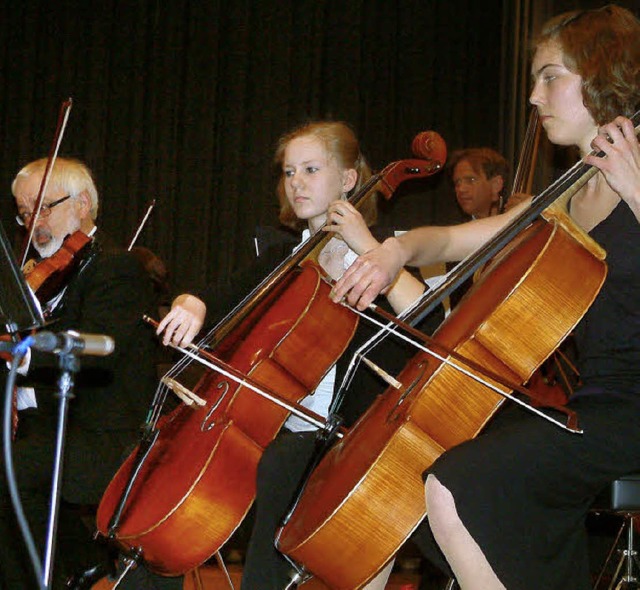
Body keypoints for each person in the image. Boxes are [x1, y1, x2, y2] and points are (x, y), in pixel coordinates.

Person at [331, 5, 640, 589]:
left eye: (550, 76)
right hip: (589, 407)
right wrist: (395, 250)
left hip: (634, 408)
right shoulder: (565, 194)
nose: (532, 95)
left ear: (601, 76)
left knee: (459, 486)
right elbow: (451, 238)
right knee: (407, 481)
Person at [156, 120, 440, 589]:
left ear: (348, 180)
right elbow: (220, 294)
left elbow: (428, 323)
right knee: (275, 482)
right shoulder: (283, 259)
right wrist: (192, 303)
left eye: (311, 169)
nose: (297, 183)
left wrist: (369, 249)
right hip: (295, 430)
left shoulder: (388, 245)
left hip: (366, 436)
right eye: (290, 173)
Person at [0, 157, 159, 589]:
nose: (34, 223)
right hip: (45, 427)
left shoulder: (115, 268)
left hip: (98, 436)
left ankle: (58, 566)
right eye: (24, 212)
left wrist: (21, 351)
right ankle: (78, 557)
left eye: (44, 207)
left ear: (83, 203)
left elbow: (96, 354)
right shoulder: (40, 277)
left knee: (8, 468)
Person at [449, 147, 509, 220]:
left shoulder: (515, 216)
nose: (461, 189)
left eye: (471, 180)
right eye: (457, 183)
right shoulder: (453, 226)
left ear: (496, 185)